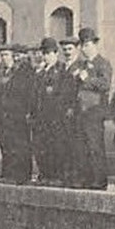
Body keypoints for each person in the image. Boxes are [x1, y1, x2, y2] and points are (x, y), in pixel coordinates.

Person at [71, 28, 113, 189]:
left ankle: (99, 179)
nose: (84, 48)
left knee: (95, 146)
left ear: (95, 45)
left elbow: (105, 84)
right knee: (81, 146)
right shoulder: (80, 64)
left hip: (95, 111)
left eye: (87, 45)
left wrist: (87, 78)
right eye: (82, 45)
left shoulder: (103, 63)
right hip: (80, 111)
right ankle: (85, 178)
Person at [31, 38, 74, 186]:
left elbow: (64, 93)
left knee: (56, 146)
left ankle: (57, 175)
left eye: (48, 53)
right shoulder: (40, 72)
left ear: (56, 53)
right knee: (41, 146)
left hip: (55, 116)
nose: (45, 56)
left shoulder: (61, 70)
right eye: (43, 53)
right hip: (40, 116)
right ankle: (45, 174)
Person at [0, 43, 35, 184]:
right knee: (8, 144)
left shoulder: (25, 72)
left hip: (19, 113)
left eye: (8, 55)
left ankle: (22, 174)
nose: (18, 58)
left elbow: (28, 93)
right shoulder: (4, 71)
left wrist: (27, 111)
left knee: (21, 144)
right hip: (6, 114)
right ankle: (9, 173)